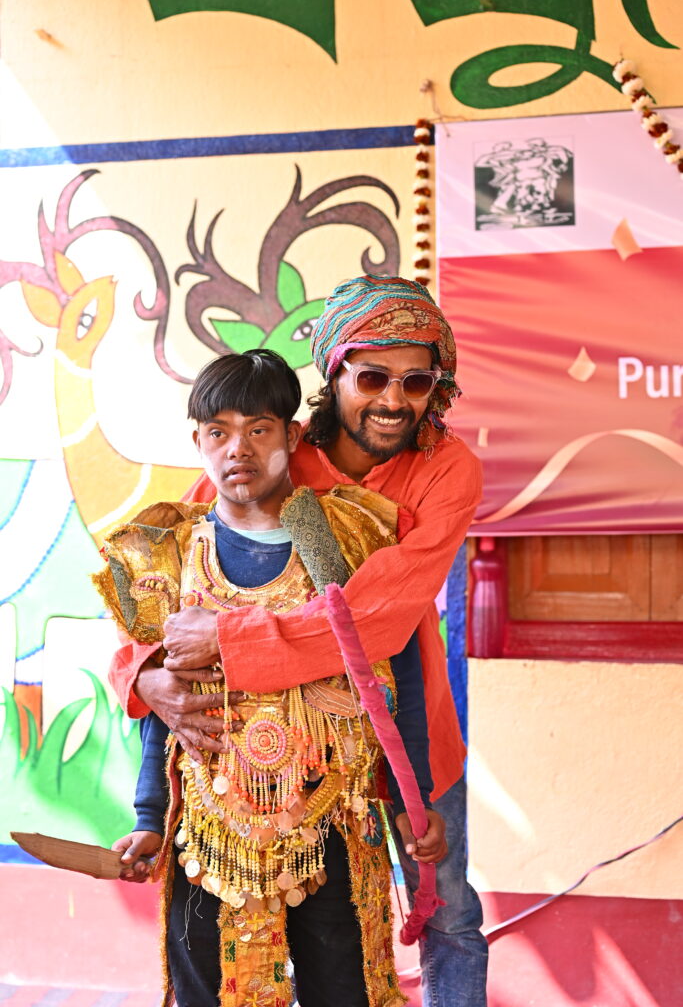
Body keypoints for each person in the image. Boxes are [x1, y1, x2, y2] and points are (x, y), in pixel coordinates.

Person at [109, 275, 487, 1007]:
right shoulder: (266, 452)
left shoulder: (447, 470)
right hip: (251, 772)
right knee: (239, 947)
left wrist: (226, 639)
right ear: (335, 371)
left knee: (447, 913)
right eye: (372, 376)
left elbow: (380, 621)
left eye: (416, 383)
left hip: (397, 738)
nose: (391, 400)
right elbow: (162, 595)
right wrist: (145, 679)